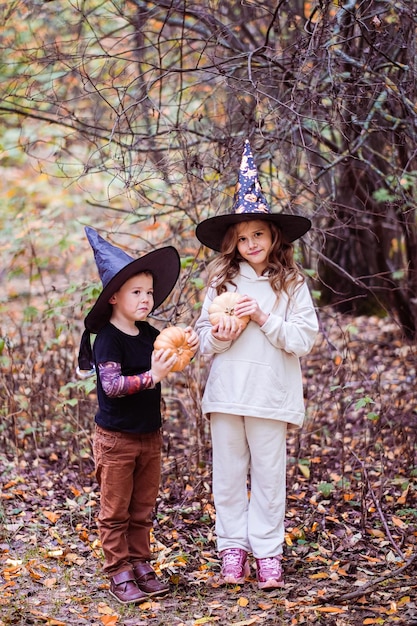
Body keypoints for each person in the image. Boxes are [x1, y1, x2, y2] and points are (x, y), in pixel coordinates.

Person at [194, 140, 318, 590]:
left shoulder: (290, 284)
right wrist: (222, 336)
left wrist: (264, 318)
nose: (250, 244)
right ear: (232, 243)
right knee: (227, 475)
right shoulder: (222, 282)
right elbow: (202, 341)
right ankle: (232, 549)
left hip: (271, 395)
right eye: (242, 238)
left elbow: (303, 339)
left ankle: (267, 553)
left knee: (268, 477)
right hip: (228, 394)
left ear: (274, 237)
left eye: (258, 235)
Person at [77, 227, 199, 604]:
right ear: (114, 297)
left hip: (150, 435)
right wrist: (153, 376)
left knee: (142, 507)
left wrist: (187, 346)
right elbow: (112, 386)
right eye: (136, 292)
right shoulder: (108, 340)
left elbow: (171, 357)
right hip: (116, 438)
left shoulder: (149, 333)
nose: (146, 299)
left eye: (149, 292)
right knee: (115, 509)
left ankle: (140, 562)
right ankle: (119, 571)